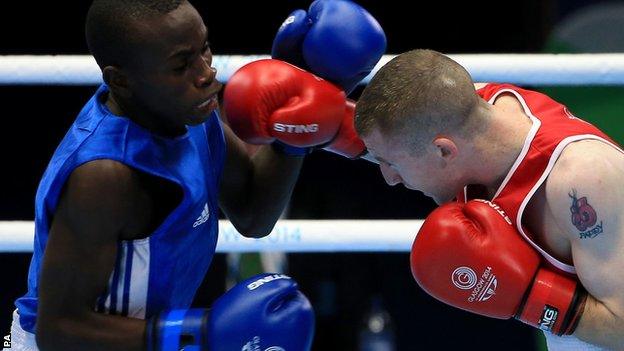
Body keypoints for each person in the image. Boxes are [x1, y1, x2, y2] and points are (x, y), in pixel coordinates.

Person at [10, 0, 384, 350]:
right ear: (120, 81)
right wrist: (199, 333)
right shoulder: (106, 175)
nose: (207, 74)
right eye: (180, 65)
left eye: (204, 49)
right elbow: (59, 329)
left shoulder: (189, 115)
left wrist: (294, 118)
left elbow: (253, 214)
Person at [354, 49, 624, 350]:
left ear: (444, 151)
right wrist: (328, 129)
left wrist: (530, 297)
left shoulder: (580, 181)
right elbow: (407, 138)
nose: (389, 179)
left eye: (392, 164)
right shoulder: (471, 109)